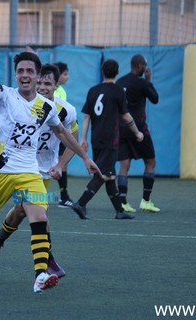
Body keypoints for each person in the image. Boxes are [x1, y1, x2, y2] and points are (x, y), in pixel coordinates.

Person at [0, 33, 101, 293]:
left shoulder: (47, 107)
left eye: (29, 71)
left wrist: (84, 157)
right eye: (20, 70)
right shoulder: (4, 95)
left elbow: (62, 132)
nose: (24, 74)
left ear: (38, 76)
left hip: (29, 170)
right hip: (0, 169)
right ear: (16, 75)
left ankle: (40, 274)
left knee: (38, 215)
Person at [0, 63, 79, 279]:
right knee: (36, 213)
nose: (44, 87)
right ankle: (48, 259)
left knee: (22, 211)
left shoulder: (65, 111)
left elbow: (72, 138)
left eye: (49, 83)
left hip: (43, 170)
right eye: (42, 82)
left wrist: (60, 165)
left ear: (57, 85)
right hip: (18, 166)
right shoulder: (23, 103)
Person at [72, 59, 144, 220]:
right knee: (103, 174)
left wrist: (83, 138)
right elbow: (126, 116)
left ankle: (119, 211)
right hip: (111, 139)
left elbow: (86, 117)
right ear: (117, 72)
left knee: (109, 174)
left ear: (103, 71)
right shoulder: (118, 90)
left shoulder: (93, 90)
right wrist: (137, 132)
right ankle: (81, 203)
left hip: (96, 137)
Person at [116, 54, 160, 213]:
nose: (146, 69)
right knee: (150, 161)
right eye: (145, 65)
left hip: (121, 128)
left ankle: (122, 202)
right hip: (139, 128)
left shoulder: (120, 82)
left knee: (124, 165)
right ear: (140, 65)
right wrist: (149, 81)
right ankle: (146, 201)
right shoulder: (141, 83)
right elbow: (155, 98)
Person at [54, 62, 74, 208]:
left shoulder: (62, 91)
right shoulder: (54, 90)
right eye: (65, 74)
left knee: (63, 163)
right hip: (52, 133)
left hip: (59, 132)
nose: (67, 77)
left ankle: (63, 196)